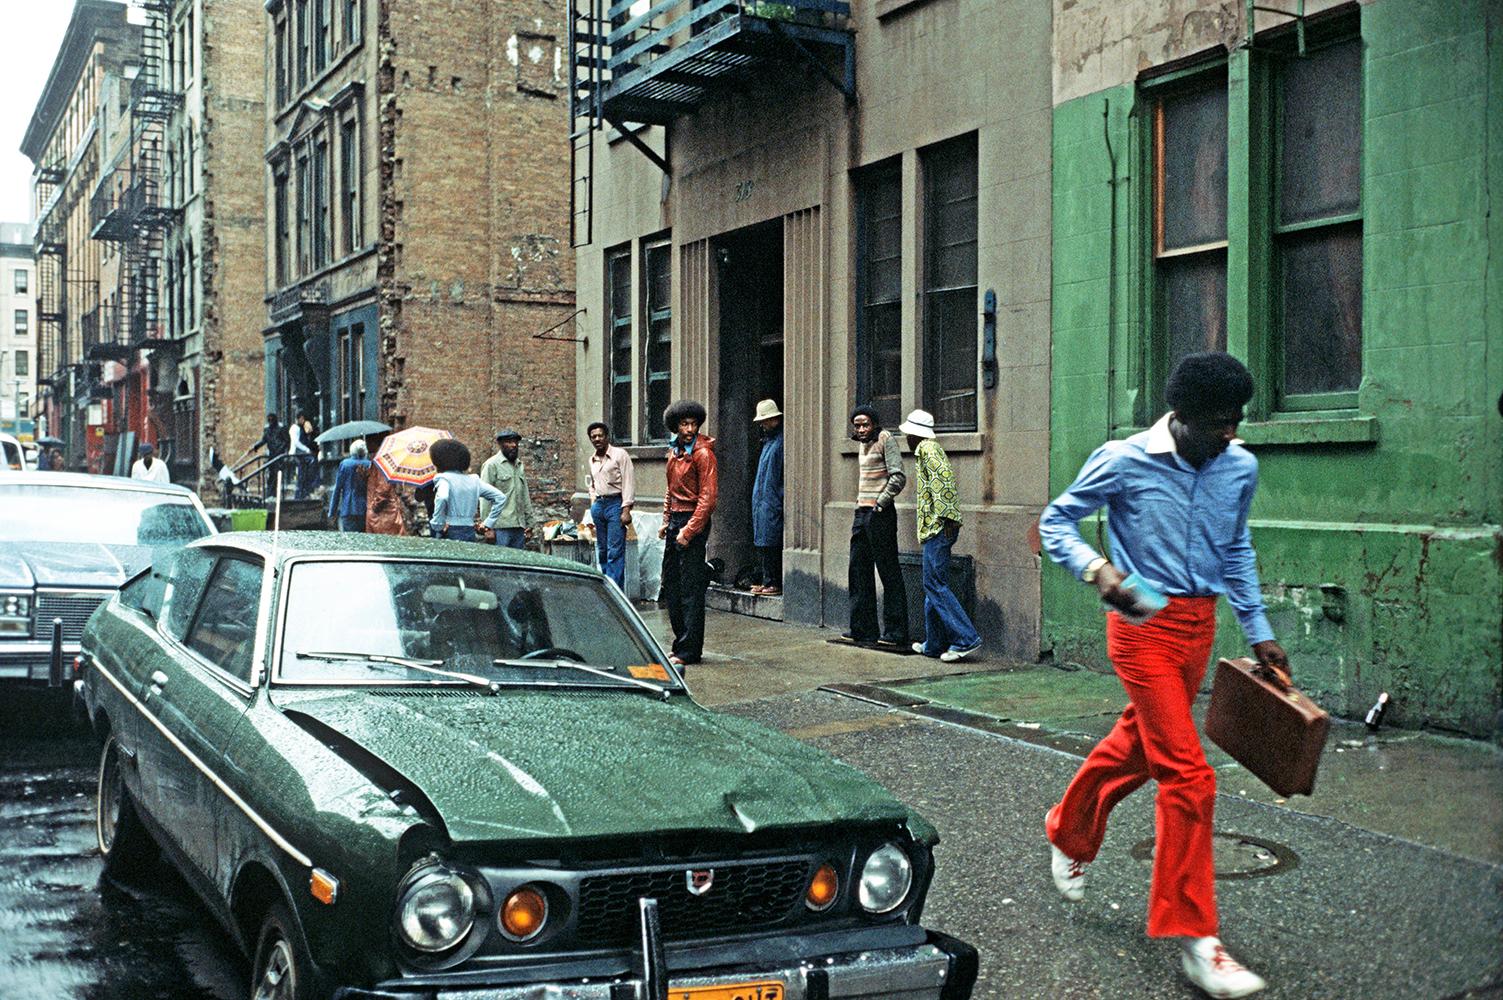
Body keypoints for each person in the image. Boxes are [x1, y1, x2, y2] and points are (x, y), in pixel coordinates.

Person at [1038, 352, 1289, 1000]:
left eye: (1235, 422)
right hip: (1139, 624)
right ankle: (1195, 938)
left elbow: (1235, 548)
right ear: (1178, 418)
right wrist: (1099, 572)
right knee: (1187, 772)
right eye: (1215, 424)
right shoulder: (1122, 460)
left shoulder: (1238, 468)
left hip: (1198, 629)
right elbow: (1055, 521)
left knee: (1142, 746)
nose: (1228, 435)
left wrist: (1258, 630)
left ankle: (1067, 828)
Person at [901, 409, 981, 662]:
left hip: (938, 528)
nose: (906, 438)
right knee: (933, 585)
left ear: (915, 434)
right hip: (937, 528)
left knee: (935, 585)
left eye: (908, 434)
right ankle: (934, 644)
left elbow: (943, 483)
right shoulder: (928, 449)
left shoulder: (927, 449)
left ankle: (966, 638)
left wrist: (946, 519)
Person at [658, 400, 717, 666]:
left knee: (691, 589)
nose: (690, 429)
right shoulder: (674, 453)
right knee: (671, 584)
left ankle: (690, 650)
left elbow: (708, 498)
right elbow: (670, 491)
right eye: (684, 424)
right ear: (676, 427)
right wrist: (666, 520)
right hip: (675, 521)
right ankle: (680, 642)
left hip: (693, 519)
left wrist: (689, 531)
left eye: (693, 424)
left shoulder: (704, 454)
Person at [845, 405, 908, 647]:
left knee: (888, 570)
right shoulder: (862, 443)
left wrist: (880, 503)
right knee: (858, 569)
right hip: (861, 511)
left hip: (879, 513)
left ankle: (895, 633)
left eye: (865, 424)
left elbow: (898, 476)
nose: (861, 429)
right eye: (857, 425)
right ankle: (862, 629)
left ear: (874, 424)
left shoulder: (885, 439)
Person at [586, 421, 635, 588]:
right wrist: (593, 504)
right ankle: (606, 588)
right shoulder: (592, 460)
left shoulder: (620, 455)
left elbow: (628, 482)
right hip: (599, 506)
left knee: (615, 552)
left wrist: (626, 508)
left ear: (607, 437)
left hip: (616, 504)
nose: (597, 439)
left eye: (600, 435)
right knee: (602, 550)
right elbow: (592, 484)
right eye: (594, 437)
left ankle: (616, 592)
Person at [428, 439, 505, 542]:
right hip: (470, 530)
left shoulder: (444, 479)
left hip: (450, 529)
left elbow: (442, 497)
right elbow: (500, 497)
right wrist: (488, 523)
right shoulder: (473, 480)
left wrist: (437, 524)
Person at [479, 429, 536, 549]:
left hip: (519, 527)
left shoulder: (519, 465)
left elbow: (524, 495)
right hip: (500, 527)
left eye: (515, 442)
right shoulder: (491, 465)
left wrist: (530, 524)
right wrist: (487, 527)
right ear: (500, 444)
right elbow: (484, 499)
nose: (514, 445)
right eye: (509, 442)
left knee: (517, 564)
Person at [749, 400, 784, 596]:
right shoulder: (769, 442)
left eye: (765, 420)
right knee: (763, 540)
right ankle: (766, 580)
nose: (762, 424)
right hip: (764, 498)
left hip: (771, 499)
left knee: (770, 541)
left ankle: (773, 582)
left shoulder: (779, 443)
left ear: (775, 419)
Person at [327, 440, 372, 532]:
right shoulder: (369, 464)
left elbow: (337, 489)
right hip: (364, 508)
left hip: (347, 508)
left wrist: (332, 511)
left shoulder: (344, 464)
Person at [252, 413, 291, 489]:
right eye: (269, 420)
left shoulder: (281, 428)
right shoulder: (267, 430)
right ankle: (271, 491)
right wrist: (256, 446)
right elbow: (264, 440)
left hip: (279, 454)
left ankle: (275, 491)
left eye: (272, 420)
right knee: (271, 473)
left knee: (277, 473)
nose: (270, 421)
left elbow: (286, 441)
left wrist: (282, 450)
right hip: (272, 454)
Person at [288, 411, 318, 500]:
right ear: (300, 418)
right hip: (297, 453)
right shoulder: (294, 428)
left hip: (301, 454)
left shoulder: (300, 428)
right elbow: (296, 442)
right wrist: (306, 449)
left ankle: (304, 493)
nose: (303, 421)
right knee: (301, 473)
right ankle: (299, 495)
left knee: (303, 473)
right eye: (303, 419)